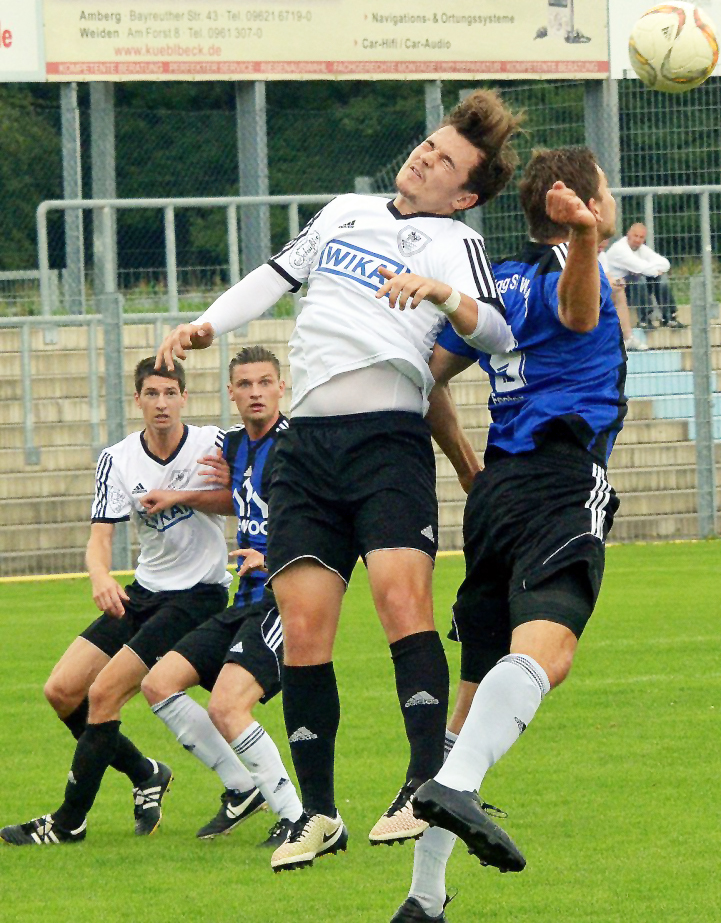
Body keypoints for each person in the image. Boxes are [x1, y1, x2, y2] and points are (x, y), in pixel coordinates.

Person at [156, 89, 523, 872]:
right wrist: (206, 326)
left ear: (464, 193)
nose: (425, 156)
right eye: (428, 144)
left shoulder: (451, 241)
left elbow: (495, 329)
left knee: (400, 599)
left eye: (446, 161)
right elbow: (270, 277)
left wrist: (440, 295)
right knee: (307, 626)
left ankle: (422, 783)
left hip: (387, 440)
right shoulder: (344, 211)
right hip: (308, 449)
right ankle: (319, 813)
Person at [391, 147, 626, 922]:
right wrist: (588, 236)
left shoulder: (500, 286)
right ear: (580, 202)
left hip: (495, 495)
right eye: (603, 195)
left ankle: (424, 896)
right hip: (560, 478)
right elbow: (581, 312)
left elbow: (425, 379)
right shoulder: (572, 266)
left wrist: (467, 467)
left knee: (471, 707)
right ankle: (453, 790)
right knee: (546, 656)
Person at [0, 358, 232, 846]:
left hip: (198, 594)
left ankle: (67, 824)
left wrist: (179, 496)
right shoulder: (119, 458)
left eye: (171, 392)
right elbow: (100, 536)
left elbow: (241, 497)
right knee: (62, 691)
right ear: (138, 400)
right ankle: (146, 772)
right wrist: (101, 574)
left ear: (185, 397)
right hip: (144, 591)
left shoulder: (213, 444)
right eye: (152, 394)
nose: (162, 403)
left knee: (105, 694)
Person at [140, 346, 303, 847]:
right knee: (159, 683)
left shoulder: (299, 446)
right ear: (231, 392)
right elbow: (235, 499)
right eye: (245, 385)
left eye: (264, 383)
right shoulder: (234, 446)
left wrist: (273, 557)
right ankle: (240, 786)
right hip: (243, 599)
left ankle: (296, 816)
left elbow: (328, 518)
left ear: (281, 387)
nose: (255, 392)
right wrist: (179, 497)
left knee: (229, 706)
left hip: (285, 599)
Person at [605, 222, 684, 329]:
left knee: (661, 279)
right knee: (639, 278)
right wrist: (653, 270)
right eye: (635, 236)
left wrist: (649, 270)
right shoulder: (620, 249)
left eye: (641, 237)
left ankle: (669, 317)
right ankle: (644, 319)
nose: (637, 240)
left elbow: (665, 263)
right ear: (628, 234)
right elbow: (641, 268)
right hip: (616, 288)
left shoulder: (642, 249)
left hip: (634, 287)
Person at [598, 239, 648, 352]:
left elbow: (608, 277)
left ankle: (627, 337)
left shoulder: (601, 255)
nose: (601, 250)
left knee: (618, 292)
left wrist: (617, 282)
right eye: (599, 246)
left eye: (603, 247)